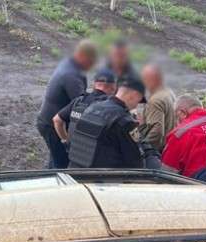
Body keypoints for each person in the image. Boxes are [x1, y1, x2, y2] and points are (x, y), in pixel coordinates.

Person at [68, 76, 153, 169]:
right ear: (134, 95)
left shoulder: (92, 107)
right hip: (103, 176)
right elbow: (136, 161)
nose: (136, 106)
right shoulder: (125, 121)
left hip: (75, 171)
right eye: (138, 101)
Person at [37, 40, 98, 168]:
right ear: (82, 56)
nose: (92, 65)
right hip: (53, 125)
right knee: (62, 164)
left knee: (55, 159)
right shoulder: (71, 75)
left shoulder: (71, 65)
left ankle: (49, 174)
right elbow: (81, 104)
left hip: (49, 120)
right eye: (91, 61)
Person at [52, 68, 117, 144]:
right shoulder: (111, 106)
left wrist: (65, 139)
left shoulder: (79, 101)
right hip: (97, 150)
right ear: (113, 86)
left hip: (74, 149)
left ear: (94, 84)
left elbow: (57, 120)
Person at [137, 64, 176, 152]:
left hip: (160, 151)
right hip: (170, 145)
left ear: (152, 80)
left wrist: (144, 149)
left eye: (144, 79)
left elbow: (156, 131)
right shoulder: (168, 92)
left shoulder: (155, 101)